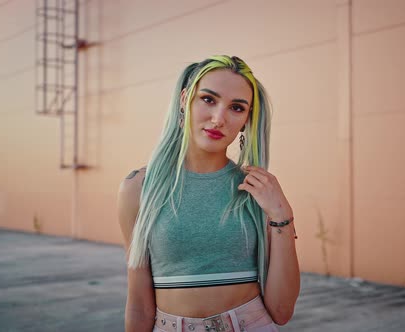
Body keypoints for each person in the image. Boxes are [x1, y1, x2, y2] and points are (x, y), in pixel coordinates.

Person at [118, 55, 300, 332]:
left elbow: (282, 310)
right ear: (184, 100)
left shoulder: (257, 191)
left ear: (247, 120)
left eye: (236, 107)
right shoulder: (140, 187)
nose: (218, 119)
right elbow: (139, 305)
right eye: (208, 99)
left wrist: (281, 215)